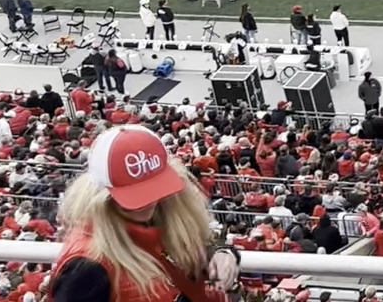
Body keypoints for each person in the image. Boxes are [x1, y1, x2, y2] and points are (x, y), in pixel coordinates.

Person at [49, 125, 241, 302]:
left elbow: (206, 244)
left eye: (154, 189)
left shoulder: (170, 215)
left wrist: (222, 255)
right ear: (102, 195)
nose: (148, 203)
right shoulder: (87, 267)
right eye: (135, 194)